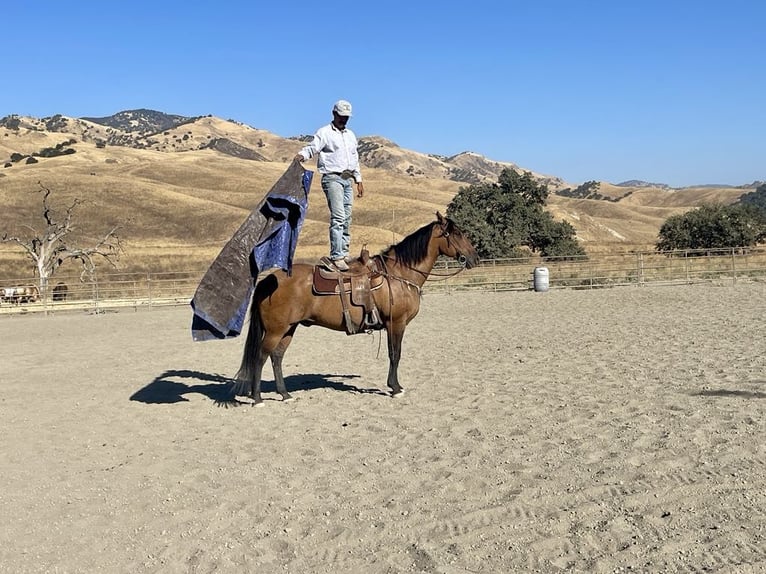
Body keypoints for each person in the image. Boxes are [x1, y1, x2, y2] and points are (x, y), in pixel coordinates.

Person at [295, 99, 365, 271]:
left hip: (348, 179)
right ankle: (336, 255)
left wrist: (358, 179)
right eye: (341, 116)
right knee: (339, 215)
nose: (344, 120)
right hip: (332, 177)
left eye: (347, 117)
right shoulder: (324, 132)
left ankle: (344, 251)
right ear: (334, 114)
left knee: (347, 217)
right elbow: (313, 147)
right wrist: (302, 156)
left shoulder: (350, 135)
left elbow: (354, 159)